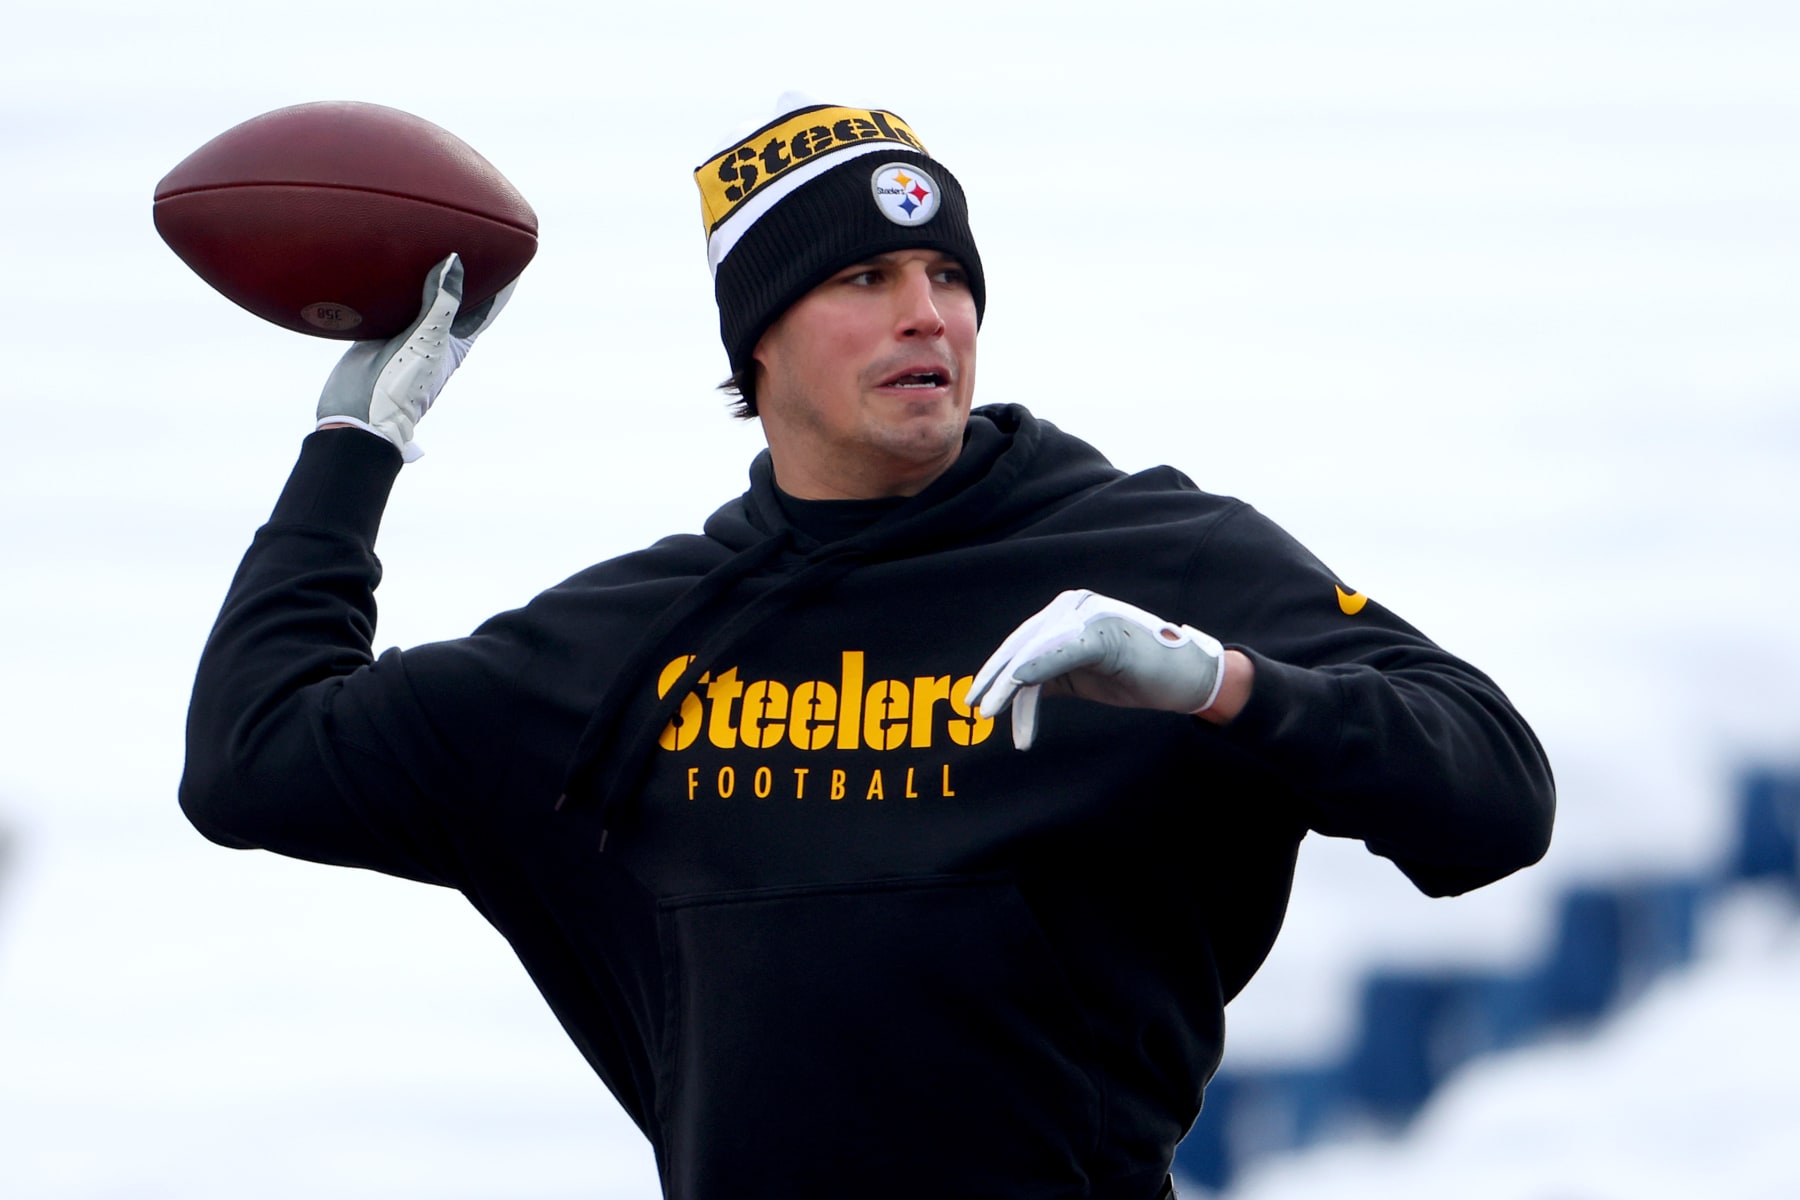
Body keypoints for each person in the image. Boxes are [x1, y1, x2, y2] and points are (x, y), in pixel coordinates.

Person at [181, 99, 1555, 1199]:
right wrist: (357, 444)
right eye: (867, 274)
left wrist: (1217, 684)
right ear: (757, 344)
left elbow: (1495, 798)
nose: (930, 313)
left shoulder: (1152, 557)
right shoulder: (637, 644)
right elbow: (254, 760)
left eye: (951, 274)